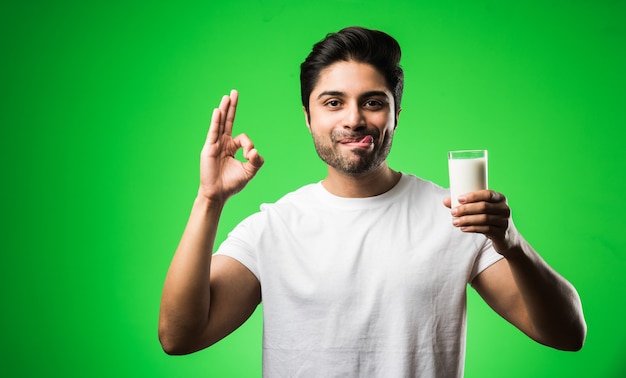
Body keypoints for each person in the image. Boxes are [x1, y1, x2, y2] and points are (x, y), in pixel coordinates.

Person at [158, 26, 586, 377]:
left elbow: (568, 334)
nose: (354, 119)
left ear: (396, 114)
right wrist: (209, 200)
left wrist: (510, 242)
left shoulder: (456, 216)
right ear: (309, 118)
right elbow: (179, 337)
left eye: (374, 102)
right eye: (333, 103)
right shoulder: (274, 227)